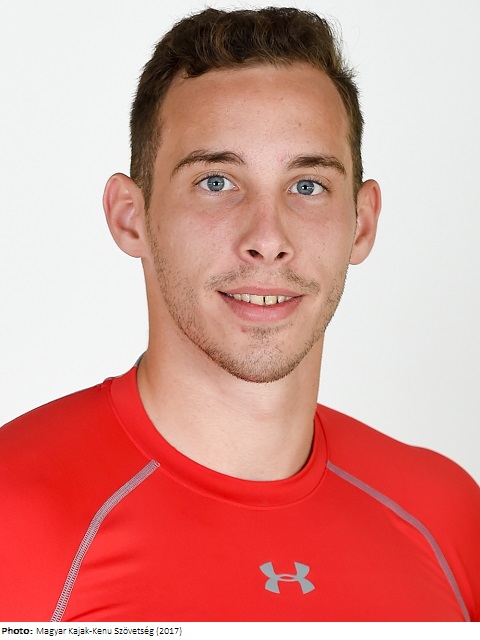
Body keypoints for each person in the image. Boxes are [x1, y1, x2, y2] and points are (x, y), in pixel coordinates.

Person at [0, 6, 479, 623]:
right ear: (130, 216)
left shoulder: (447, 518)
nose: (267, 239)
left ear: (361, 224)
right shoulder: (14, 514)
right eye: (217, 182)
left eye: (307, 185)